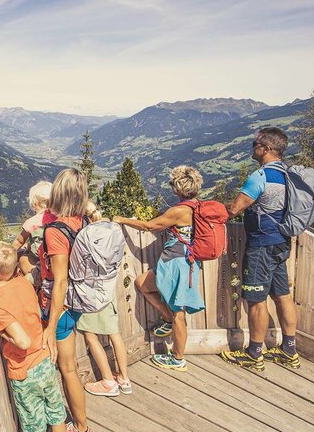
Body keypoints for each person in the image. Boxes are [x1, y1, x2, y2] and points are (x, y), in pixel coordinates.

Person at [219, 127, 300, 372]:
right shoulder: (288, 175)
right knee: (282, 295)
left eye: (255, 144)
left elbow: (234, 209)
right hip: (281, 243)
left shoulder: (261, 176)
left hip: (261, 245)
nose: (253, 147)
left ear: (265, 149)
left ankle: (254, 353)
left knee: (256, 300)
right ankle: (289, 350)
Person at [114, 165, 205, 372]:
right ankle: (166, 318)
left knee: (178, 314)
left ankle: (178, 358)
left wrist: (121, 220)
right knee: (142, 283)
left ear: (178, 188)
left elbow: (148, 226)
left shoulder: (178, 211)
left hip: (176, 264)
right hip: (188, 263)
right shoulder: (197, 206)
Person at [0, 241, 67, 432]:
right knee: (56, 413)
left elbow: (22, 342)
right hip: (45, 359)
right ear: (14, 268)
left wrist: (0, 331)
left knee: (36, 426)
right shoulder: (24, 283)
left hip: (24, 371)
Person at [39, 168, 92, 432]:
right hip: (76, 303)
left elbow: (59, 281)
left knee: (63, 369)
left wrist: (50, 325)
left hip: (58, 308)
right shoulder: (81, 221)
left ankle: (67, 430)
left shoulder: (55, 232)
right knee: (69, 368)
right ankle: (81, 428)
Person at [78, 202, 132, 396]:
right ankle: (124, 379)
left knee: (90, 335)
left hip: (91, 292)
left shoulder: (85, 236)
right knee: (114, 334)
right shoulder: (111, 230)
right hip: (109, 290)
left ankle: (108, 382)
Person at [12, 181, 55, 287]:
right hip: (54, 260)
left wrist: (7, 254)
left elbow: (19, 241)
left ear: (35, 204)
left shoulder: (33, 222)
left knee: (21, 259)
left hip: (39, 263)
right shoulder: (59, 219)